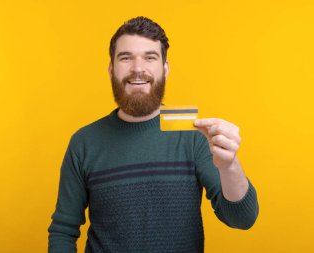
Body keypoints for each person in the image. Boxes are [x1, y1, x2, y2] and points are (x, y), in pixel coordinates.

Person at [48, 16, 259, 253]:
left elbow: (242, 219)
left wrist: (229, 165)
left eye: (150, 57)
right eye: (125, 58)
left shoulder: (195, 138)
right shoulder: (83, 143)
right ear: (111, 69)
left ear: (165, 69)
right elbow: (63, 232)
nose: (138, 68)